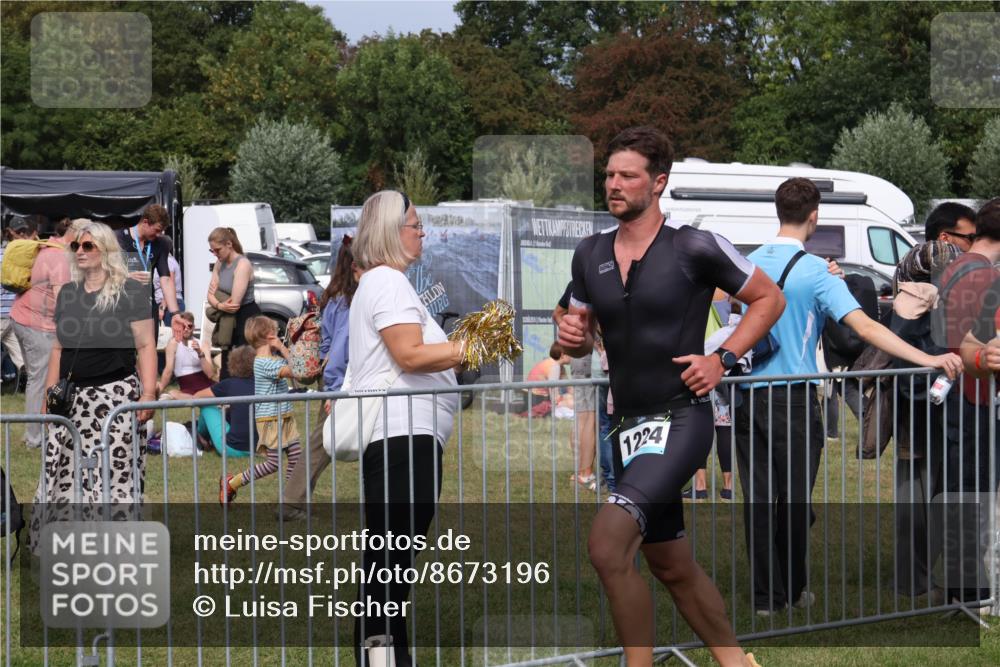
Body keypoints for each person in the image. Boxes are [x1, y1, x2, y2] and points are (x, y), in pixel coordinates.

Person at [558, 126, 785, 667]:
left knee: (608, 546)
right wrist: (570, 336)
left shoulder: (694, 246)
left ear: (658, 183)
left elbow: (767, 299)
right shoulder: (589, 253)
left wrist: (722, 358)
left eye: (626, 175)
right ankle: (738, 662)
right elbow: (573, 329)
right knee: (670, 564)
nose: (613, 184)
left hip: (681, 418)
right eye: (609, 174)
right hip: (627, 424)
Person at [736, 178, 963, 617]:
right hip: (794, 398)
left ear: (777, 211)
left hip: (747, 396)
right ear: (815, 216)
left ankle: (766, 598)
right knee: (796, 501)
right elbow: (867, 328)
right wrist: (927, 359)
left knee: (760, 501)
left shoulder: (749, 263)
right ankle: (794, 589)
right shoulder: (816, 272)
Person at [349, 190, 462, 667]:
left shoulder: (386, 283)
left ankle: (388, 656)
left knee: (389, 565)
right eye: (416, 225)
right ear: (392, 232)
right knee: (388, 566)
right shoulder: (388, 283)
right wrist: (471, 349)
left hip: (407, 438)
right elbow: (411, 355)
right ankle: (381, 657)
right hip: (402, 438)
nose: (422, 233)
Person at [27, 221, 156, 551]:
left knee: (115, 470)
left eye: (88, 246)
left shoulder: (131, 292)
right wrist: (48, 396)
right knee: (62, 469)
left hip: (115, 397)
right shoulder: (68, 293)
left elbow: (145, 345)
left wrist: (149, 393)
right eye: (76, 247)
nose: (80, 252)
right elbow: (58, 347)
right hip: (70, 401)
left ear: (105, 250)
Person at [279, 237, 359, 520]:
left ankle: (294, 500)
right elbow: (340, 347)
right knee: (322, 443)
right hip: (341, 379)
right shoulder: (349, 301)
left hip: (333, 377)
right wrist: (335, 392)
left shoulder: (334, 295)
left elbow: (328, 346)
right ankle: (290, 503)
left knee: (323, 441)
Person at [219, 316, 302, 504]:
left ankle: (289, 501)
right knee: (274, 464)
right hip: (270, 419)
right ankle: (232, 483)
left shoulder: (272, 359)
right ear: (269, 335)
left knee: (296, 458)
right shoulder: (264, 362)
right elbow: (297, 370)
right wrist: (282, 347)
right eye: (276, 331)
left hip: (284, 416)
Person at [9, 218, 76, 449]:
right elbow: (62, 300)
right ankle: (34, 437)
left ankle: (34, 431)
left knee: (36, 379)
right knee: (39, 380)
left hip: (20, 317)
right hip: (36, 324)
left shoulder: (47, 247)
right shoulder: (59, 257)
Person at [553, 281, 597, 490]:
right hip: (588, 357)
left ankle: (584, 471)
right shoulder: (580, 284)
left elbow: (558, 314)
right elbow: (558, 314)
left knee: (589, 417)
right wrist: (576, 333)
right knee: (586, 417)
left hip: (599, 357)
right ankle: (584, 473)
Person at [114, 204, 181, 339]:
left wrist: (175, 314)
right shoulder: (118, 238)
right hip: (120, 307)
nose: (158, 235)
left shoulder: (161, 244)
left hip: (147, 308)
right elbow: (104, 270)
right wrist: (126, 275)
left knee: (148, 353)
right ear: (145, 222)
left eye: (161, 231)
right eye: (156, 230)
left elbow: (166, 279)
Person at [206, 227, 260, 379]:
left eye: (218, 250)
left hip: (246, 319)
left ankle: (245, 399)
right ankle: (227, 400)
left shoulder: (243, 264)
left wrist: (216, 299)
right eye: (212, 251)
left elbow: (235, 304)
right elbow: (209, 295)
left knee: (244, 364)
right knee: (227, 362)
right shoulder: (219, 264)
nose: (216, 254)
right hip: (226, 318)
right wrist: (220, 305)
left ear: (229, 244)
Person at [192, 345, 257, 459]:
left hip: (232, 448)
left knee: (207, 407)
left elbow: (197, 397)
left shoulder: (229, 384)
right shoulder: (263, 385)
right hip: (259, 448)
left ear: (232, 364)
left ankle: (200, 436)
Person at [0, 217, 39, 384]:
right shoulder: (31, 254)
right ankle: (31, 378)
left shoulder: (5, 253)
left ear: (9, 232)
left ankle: (30, 379)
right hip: (16, 313)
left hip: (1, 312)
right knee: (21, 356)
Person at [156, 311, 215, 399]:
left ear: (194, 327)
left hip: (205, 383)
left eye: (189, 326)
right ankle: (200, 398)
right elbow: (168, 370)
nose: (186, 329)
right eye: (183, 326)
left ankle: (199, 398)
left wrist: (200, 353)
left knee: (174, 394)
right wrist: (160, 388)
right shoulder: (173, 343)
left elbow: (210, 374)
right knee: (173, 392)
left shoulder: (203, 344)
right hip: (187, 386)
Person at [525, 341, 570, 415]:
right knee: (571, 402)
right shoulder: (554, 366)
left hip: (534, 397)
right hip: (536, 399)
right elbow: (554, 393)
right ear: (562, 355)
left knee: (571, 399)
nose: (574, 356)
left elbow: (569, 387)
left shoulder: (560, 366)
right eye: (571, 354)